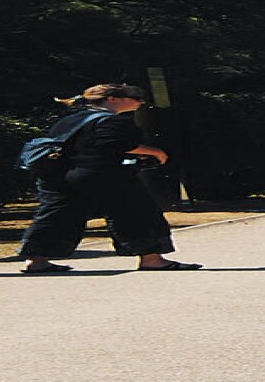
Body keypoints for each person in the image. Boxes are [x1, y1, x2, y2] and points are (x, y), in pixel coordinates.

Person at [19, 83, 200, 274]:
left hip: (58, 174)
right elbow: (116, 145)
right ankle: (152, 258)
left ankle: (37, 260)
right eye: (135, 97)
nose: (141, 101)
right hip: (103, 173)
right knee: (136, 212)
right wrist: (155, 152)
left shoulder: (70, 119)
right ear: (112, 99)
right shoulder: (112, 121)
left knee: (57, 215)